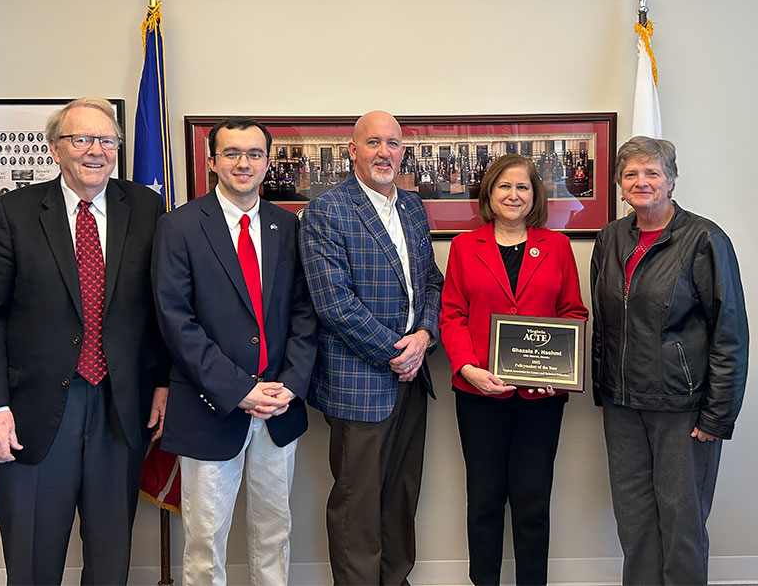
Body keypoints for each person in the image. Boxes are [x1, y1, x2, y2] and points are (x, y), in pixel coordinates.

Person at [0, 97, 169, 585]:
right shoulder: (14, 211)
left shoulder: (144, 206)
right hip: (31, 410)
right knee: (34, 555)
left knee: (110, 557)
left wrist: (163, 382)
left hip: (121, 407)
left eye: (107, 140)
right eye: (82, 139)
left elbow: (160, 307)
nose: (96, 151)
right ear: (56, 148)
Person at [151, 117, 318, 586]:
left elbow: (305, 312)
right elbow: (175, 321)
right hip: (211, 406)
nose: (243, 163)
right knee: (205, 542)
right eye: (231, 153)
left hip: (279, 407)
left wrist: (290, 384)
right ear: (212, 162)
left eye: (254, 154)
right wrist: (240, 390)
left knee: (274, 534)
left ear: (268, 163)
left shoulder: (288, 226)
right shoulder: (179, 226)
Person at [591, 136, 748, 585]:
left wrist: (718, 415)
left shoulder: (705, 239)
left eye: (652, 173)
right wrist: (604, 387)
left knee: (682, 526)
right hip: (622, 407)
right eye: (631, 174)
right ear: (620, 185)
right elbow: (604, 321)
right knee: (634, 522)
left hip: (683, 408)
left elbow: (730, 332)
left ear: (672, 180)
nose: (642, 182)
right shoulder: (610, 238)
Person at [299, 110, 444, 585]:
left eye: (394, 144)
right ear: (352, 150)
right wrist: (394, 351)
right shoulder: (327, 210)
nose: (385, 152)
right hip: (359, 381)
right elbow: (333, 302)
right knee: (356, 503)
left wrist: (423, 337)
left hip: (413, 376)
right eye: (374, 143)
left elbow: (430, 281)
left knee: (402, 494)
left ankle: (395, 579)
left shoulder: (412, 207)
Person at [440, 154, 587, 586]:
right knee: (484, 500)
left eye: (522, 187)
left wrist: (557, 370)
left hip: (540, 399)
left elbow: (573, 312)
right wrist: (467, 367)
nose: (513, 195)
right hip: (478, 393)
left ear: (535, 194)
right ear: (489, 192)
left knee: (532, 501)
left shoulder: (556, 246)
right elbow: (452, 315)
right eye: (504, 186)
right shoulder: (466, 246)